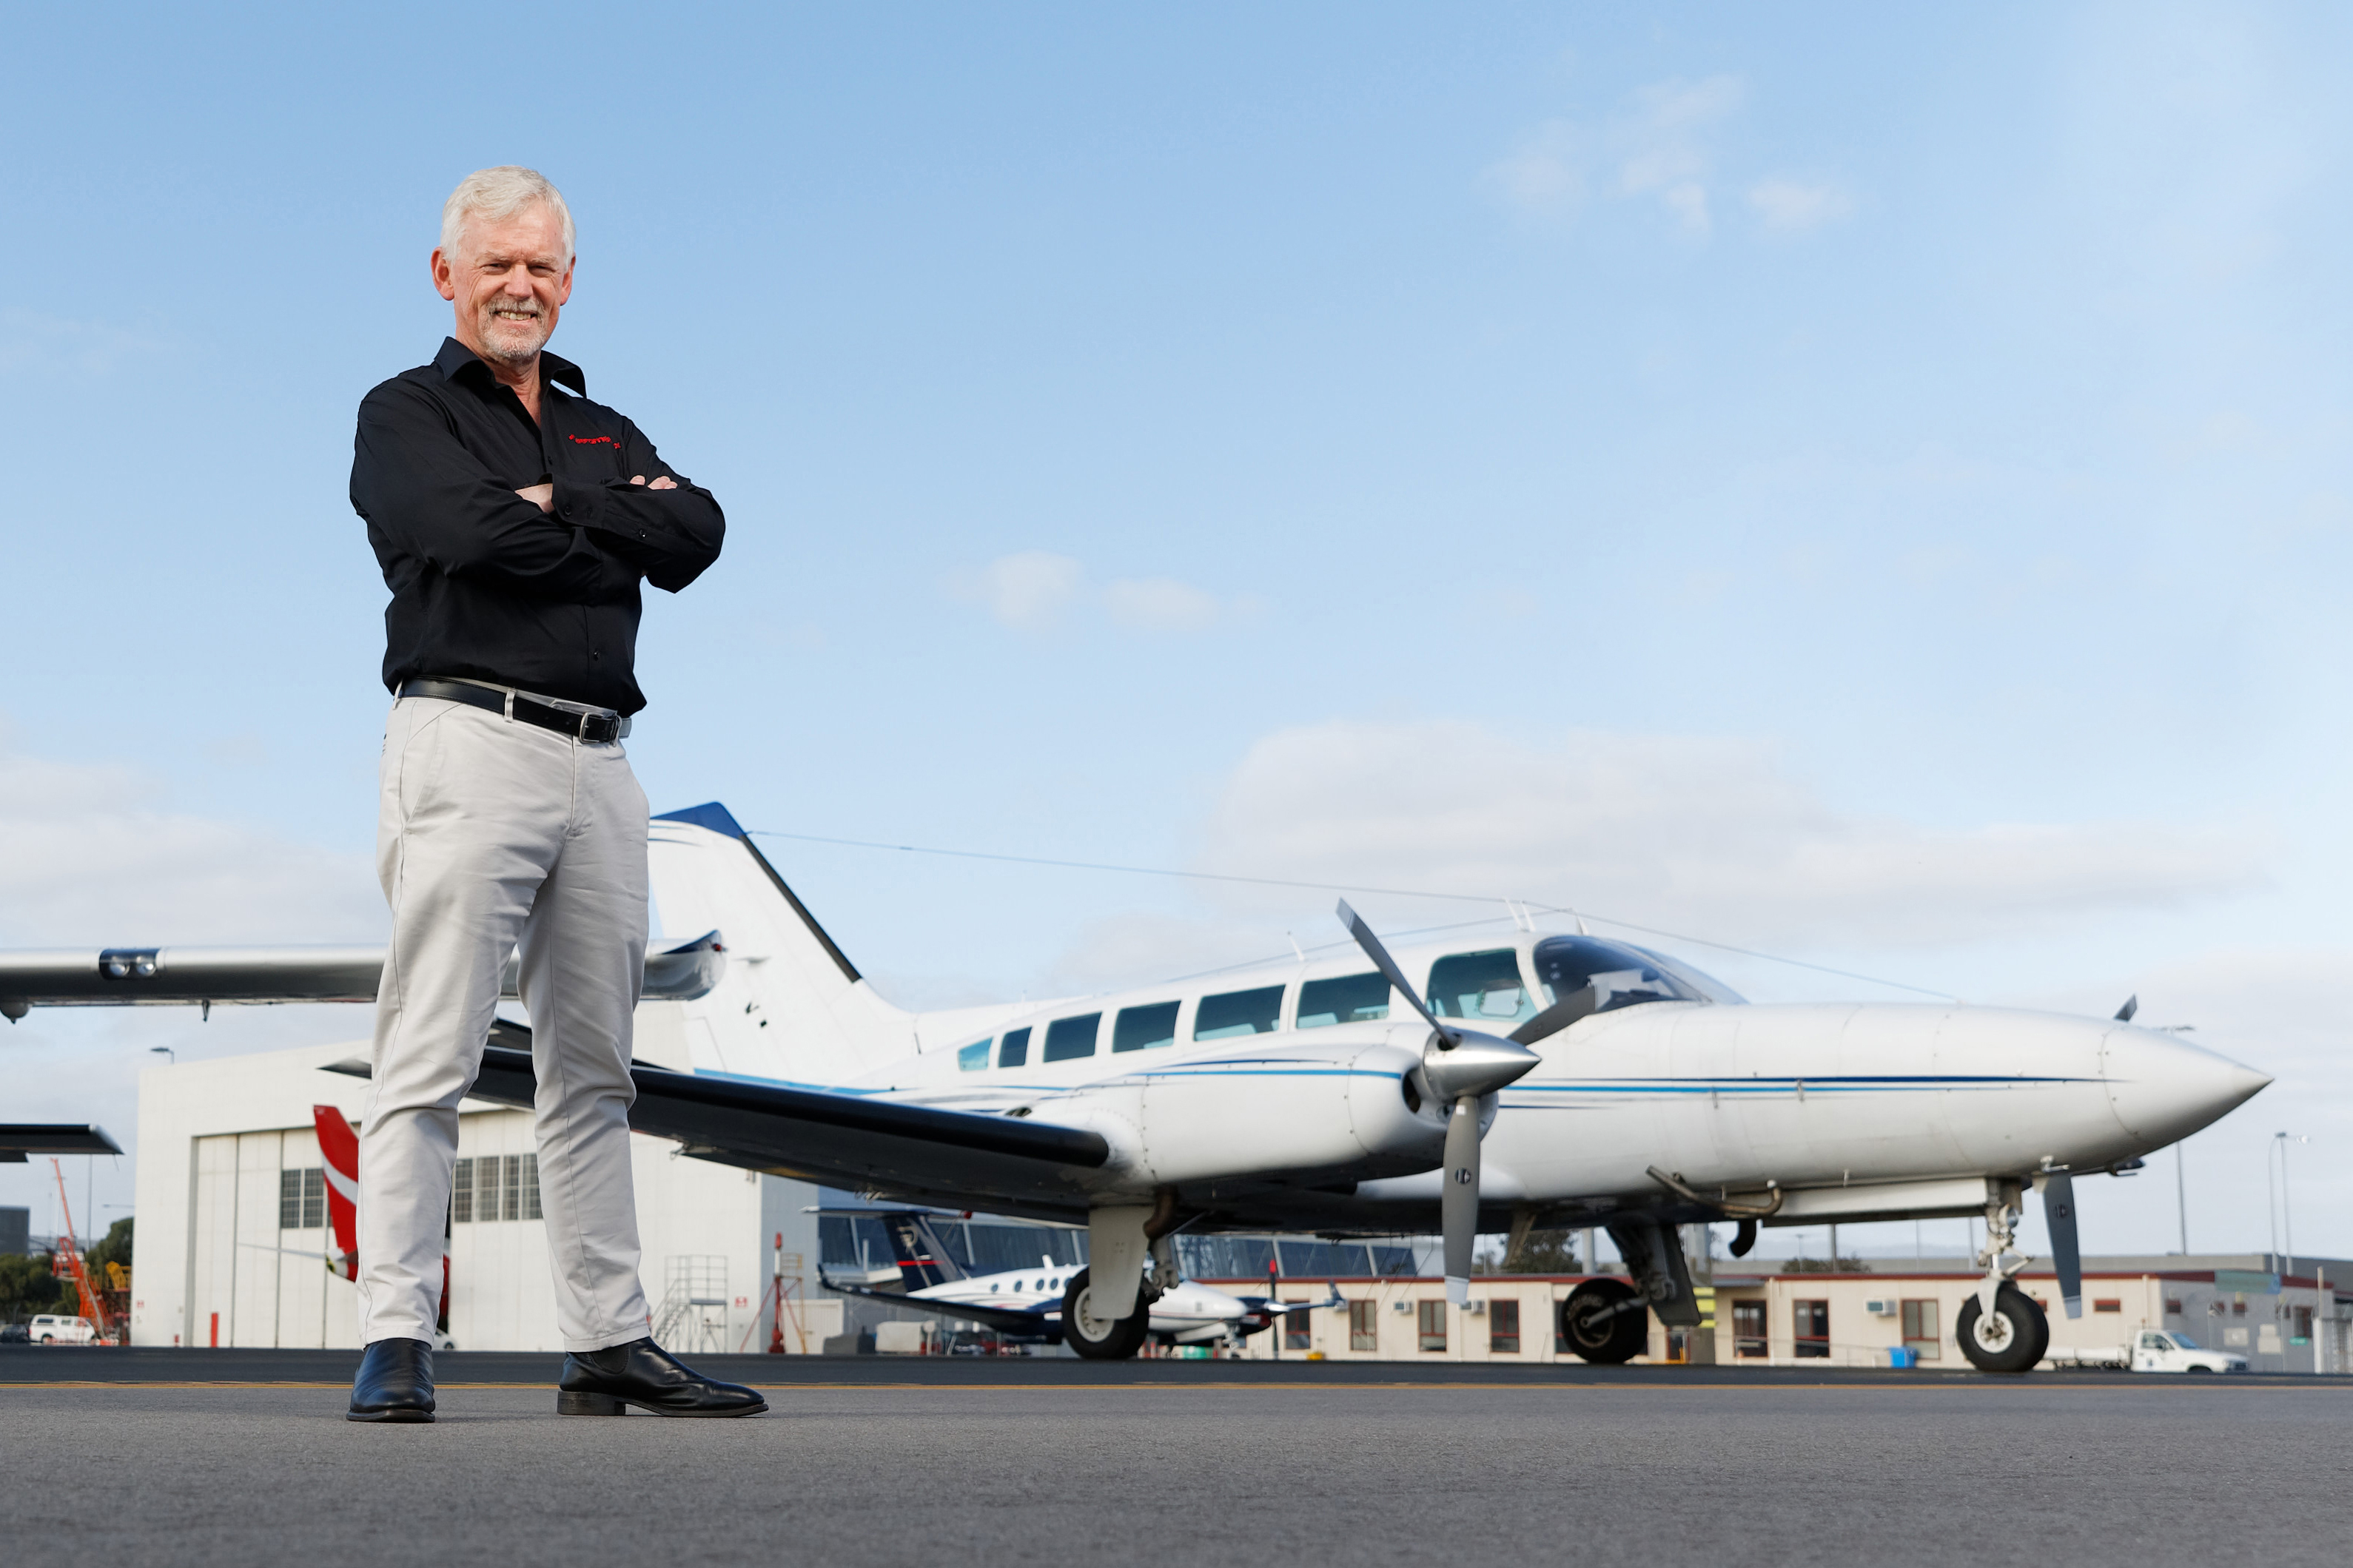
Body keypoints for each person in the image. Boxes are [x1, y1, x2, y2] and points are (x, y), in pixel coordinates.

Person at [344, 166, 760, 1421]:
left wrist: (568, 501)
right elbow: (470, 537)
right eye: (496, 265)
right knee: (433, 1049)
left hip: (603, 763)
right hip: (466, 741)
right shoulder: (403, 411)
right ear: (447, 276)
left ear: (568, 282)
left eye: (542, 267)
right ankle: (398, 1337)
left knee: (595, 1068)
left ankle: (607, 1340)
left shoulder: (601, 429)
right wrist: (604, 534)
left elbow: (699, 534)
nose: (519, 285)